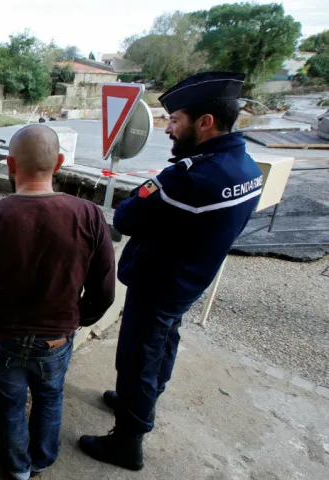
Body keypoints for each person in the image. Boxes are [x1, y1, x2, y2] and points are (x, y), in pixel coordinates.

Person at [79, 72, 264, 471]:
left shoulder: (190, 178)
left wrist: (149, 191)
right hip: (191, 278)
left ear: (205, 122)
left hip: (160, 282)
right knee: (164, 342)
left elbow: (127, 217)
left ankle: (128, 440)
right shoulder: (246, 167)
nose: (168, 129)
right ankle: (143, 401)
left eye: (175, 120)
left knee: (137, 359)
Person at [0, 125, 116, 480]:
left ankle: (16, 468)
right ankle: (42, 459)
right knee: (50, 397)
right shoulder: (89, 215)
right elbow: (104, 293)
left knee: (9, 405)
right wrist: (74, 319)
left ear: (11, 164)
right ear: (59, 162)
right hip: (56, 340)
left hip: (4, 339)